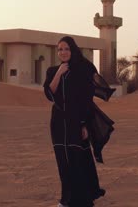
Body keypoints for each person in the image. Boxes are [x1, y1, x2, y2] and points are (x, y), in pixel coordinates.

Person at [43, 36, 114, 207]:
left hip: (77, 121)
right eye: (60, 49)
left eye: (66, 48)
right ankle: (66, 200)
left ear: (73, 49)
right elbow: (49, 93)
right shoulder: (53, 71)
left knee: (79, 160)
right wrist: (60, 73)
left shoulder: (83, 68)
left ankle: (84, 198)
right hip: (59, 122)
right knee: (63, 161)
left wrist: (84, 124)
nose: (63, 52)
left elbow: (86, 98)